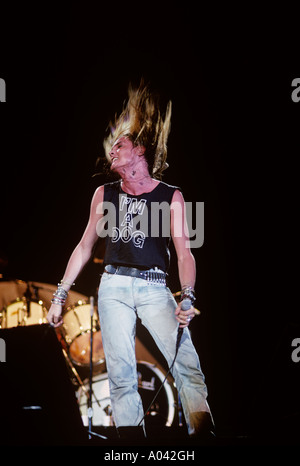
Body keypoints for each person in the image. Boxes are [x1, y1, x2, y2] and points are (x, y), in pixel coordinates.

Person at [47, 82, 214, 440]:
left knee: (188, 365)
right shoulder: (103, 194)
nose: (112, 151)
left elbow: (185, 252)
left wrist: (188, 295)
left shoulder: (171, 196)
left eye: (120, 145)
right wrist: (60, 295)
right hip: (113, 286)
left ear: (140, 149)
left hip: (155, 287)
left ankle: (205, 437)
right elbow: (83, 246)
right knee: (121, 375)